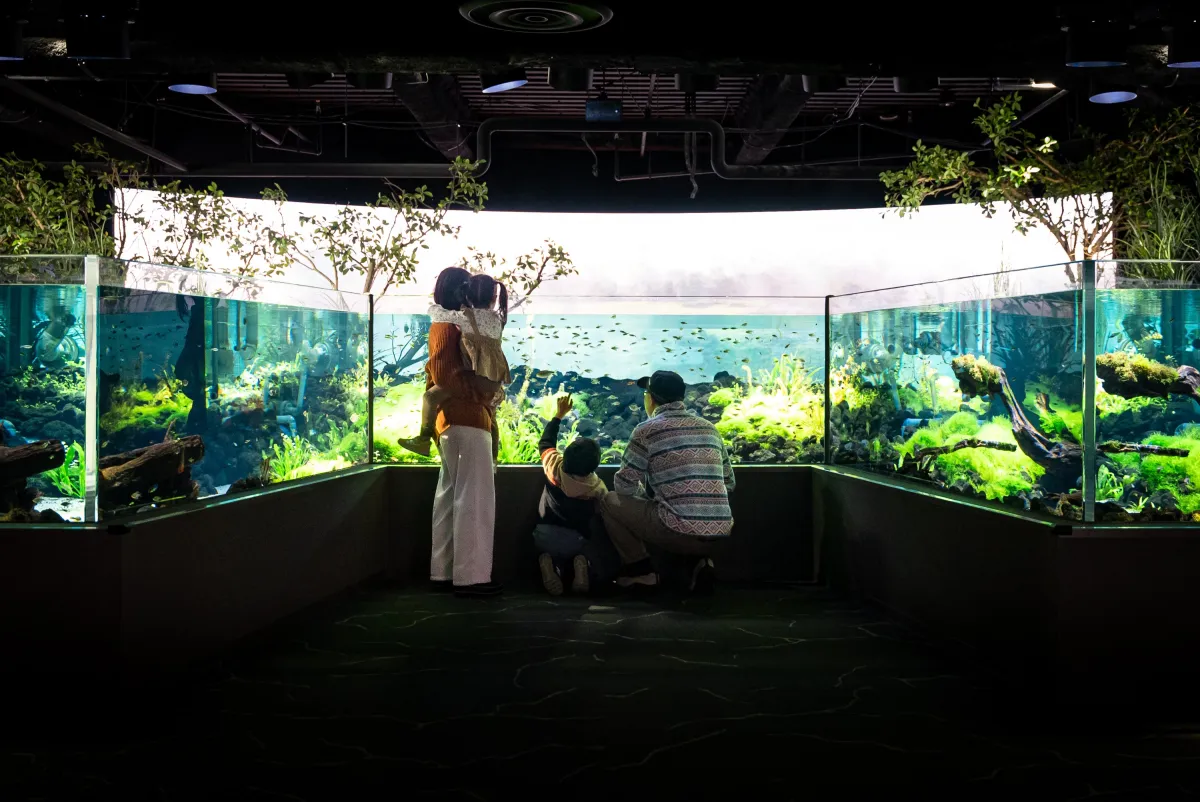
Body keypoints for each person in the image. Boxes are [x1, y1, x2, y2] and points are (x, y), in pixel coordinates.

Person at [600, 370, 735, 594]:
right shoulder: (709, 428)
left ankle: (640, 572)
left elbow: (624, 486)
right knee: (679, 509)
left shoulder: (646, 430)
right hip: (720, 533)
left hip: (678, 532)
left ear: (651, 399)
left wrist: (647, 493)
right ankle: (701, 563)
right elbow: (729, 482)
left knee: (609, 501)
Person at [425, 267, 502, 598]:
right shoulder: (447, 328)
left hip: (454, 421)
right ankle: (471, 577)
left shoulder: (449, 325)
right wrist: (482, 394)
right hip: (466, 420)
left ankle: (443, 571)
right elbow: (446, 378)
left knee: (450, 496)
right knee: (475, 499)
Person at [398, 274, 511, 464]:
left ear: (467, 296)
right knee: (491, 413)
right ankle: (493, 458)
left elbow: (439, 315)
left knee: (430, 397)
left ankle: (423, 439)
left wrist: (434, 307)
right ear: (494, 297)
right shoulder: (497, 319)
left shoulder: (466, 318)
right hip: (494, 379)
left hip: (476, 377)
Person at [532, 394, 619, 596]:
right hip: (577, 540)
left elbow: (545, 443)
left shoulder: (554, 467)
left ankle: (551, 564)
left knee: (548, 550)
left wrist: (558, 415)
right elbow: (603, 512)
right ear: (594, 466)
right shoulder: (596, 487)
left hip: (542, 535)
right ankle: (583, 565)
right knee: (592, 547)